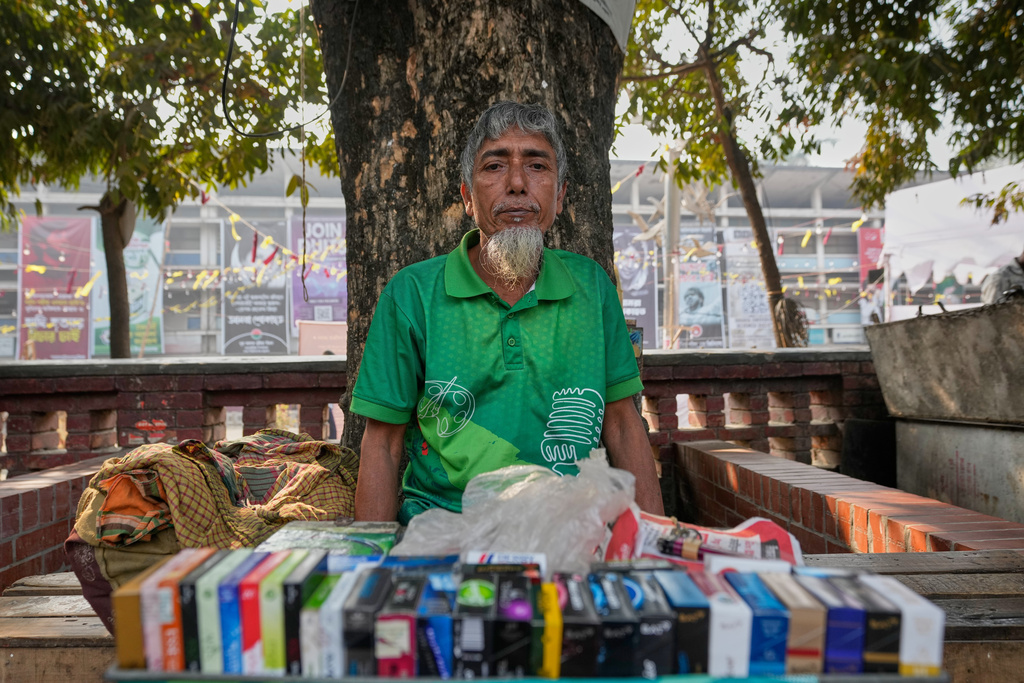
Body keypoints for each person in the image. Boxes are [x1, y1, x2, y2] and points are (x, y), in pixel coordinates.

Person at [350, 101, 664, 524]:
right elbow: (382, 446)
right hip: (444, 529)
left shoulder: (592, 288)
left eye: (536, 166)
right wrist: (372, 567)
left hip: (571, 530)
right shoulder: (413, 295)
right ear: (467, 197)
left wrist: (655, 550)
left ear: (560, 194)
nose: (517, 183)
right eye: (495, 166)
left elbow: (625, 426)